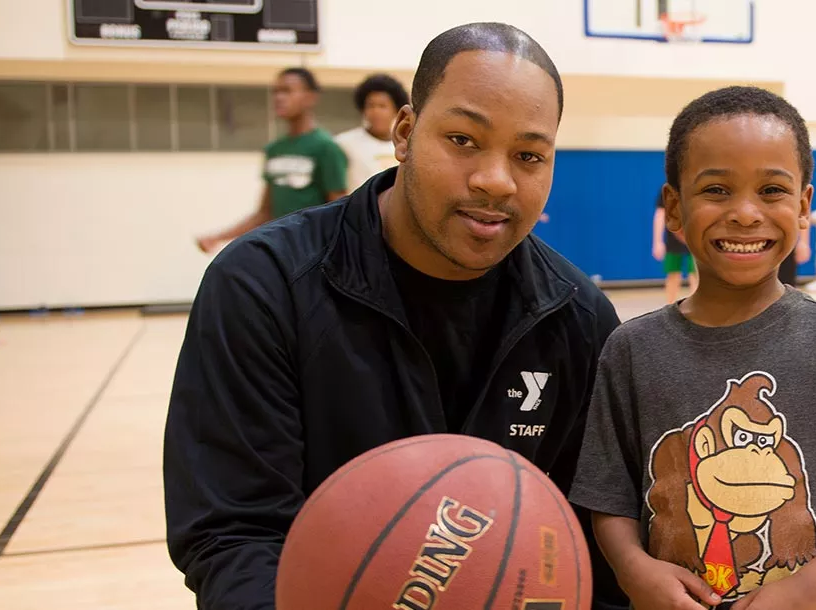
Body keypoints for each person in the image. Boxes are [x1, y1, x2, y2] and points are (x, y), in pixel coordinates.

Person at [163, 22, 627, 609]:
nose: (495, 180)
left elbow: (593, 543)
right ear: (405, 132)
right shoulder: (264, 285)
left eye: (529, 155)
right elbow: (235, 534)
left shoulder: (579, 318)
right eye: (462, 139)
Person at [569, 86, 816, 610]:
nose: (745, 213)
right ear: (674, 209)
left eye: (771, 190)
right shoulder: (631, 350)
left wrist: (809, 588)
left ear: (804, 205)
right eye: (717, 190)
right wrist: (634, 571)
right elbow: (608, 499)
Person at [196, 67, 349, 253]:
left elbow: (339, 212)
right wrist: (219, 237)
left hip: (313, 254)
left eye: (287, 91)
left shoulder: (326, 148)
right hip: (281, 251)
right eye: (276, 92)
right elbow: (265, 213)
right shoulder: (274, 150)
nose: (279, 98)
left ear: (310, 97)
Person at [335, 73, 411, 191]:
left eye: (382, 106)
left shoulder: (406, 145)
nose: (376, 111)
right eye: (371, 105)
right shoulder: (344, 144)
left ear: (396, 110)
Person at [653, 189, 698, 302]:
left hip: (693, 236)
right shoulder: (668, 190)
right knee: (673, 274)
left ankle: (697, 309)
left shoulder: (694, 186)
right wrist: (657, 241)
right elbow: (660, 214)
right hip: (673, 238)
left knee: (695, 274)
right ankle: (670, 306)